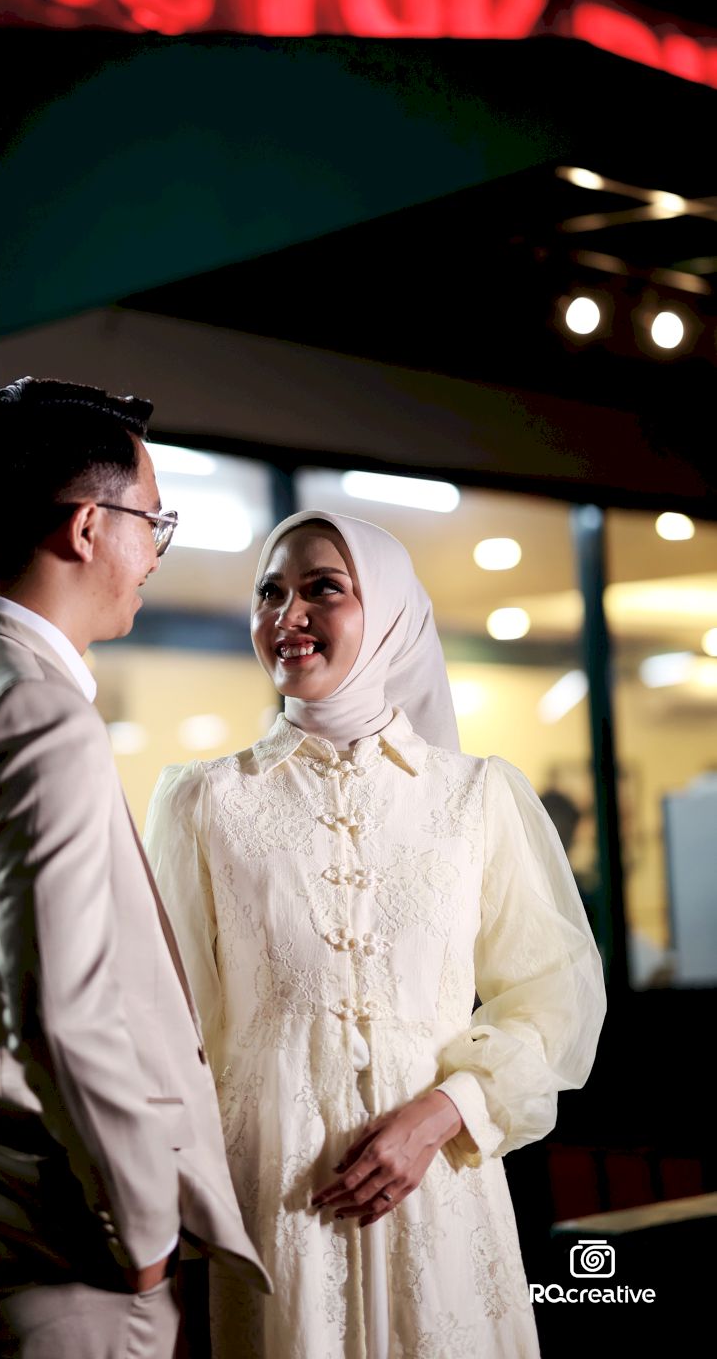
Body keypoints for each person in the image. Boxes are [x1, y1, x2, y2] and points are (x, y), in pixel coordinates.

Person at [0, 378, 268, 1358]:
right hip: (47, 1258)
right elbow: (63, 1015)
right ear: (86, 527)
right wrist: (143, 1232)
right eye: (152, 522)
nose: (153, 553)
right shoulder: (37, 711)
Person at [145, 509, 606, 1358]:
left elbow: (552, 999)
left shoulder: (475, 795)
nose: (288, 616)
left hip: (443, 1188)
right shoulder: (202, 801)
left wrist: (443, 1113)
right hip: (276, 1198)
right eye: (269, 593)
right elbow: (169, 1028)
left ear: (389, 612)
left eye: (322, 589)